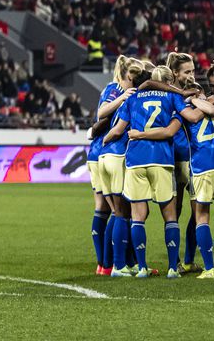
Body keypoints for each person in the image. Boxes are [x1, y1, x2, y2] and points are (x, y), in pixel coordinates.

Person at [137, 69, 214, 279]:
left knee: (201, 216)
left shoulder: (185, 107)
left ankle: (209, 268)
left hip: (203, 165)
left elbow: (185, 122)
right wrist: (208, 102)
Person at [103, 65, 186, 278]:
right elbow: (175, 127)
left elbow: (118, 129)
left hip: (136, 161)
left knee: (138, 217)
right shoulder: (171, 96)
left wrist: (105, 139)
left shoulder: (133, 98)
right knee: (170, 217)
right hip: (161, 159)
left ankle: (141, 268)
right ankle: (171, 268)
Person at [86, 55, 128, 276]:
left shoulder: (115, 89)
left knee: (103, 209)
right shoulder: (115, 89)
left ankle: (103, 264)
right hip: (103, 151)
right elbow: (102, 112)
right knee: (115, 210)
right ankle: (108, 262)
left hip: (97, 152)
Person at [163, 52, 199, 273]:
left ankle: (188, 259)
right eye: (187, 71)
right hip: (175, 158)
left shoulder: (195, 92)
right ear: (175, 73)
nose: (192, 75)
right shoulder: (166, 95)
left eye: (193, 70)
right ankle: (174, 261)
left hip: (194, 157)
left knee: (198, 211)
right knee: (174, 211)